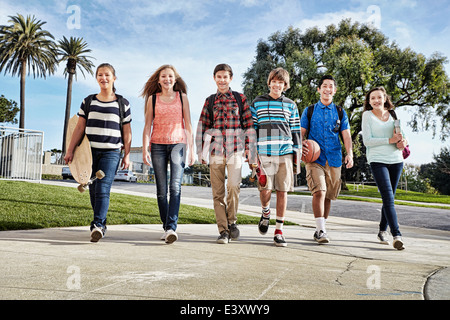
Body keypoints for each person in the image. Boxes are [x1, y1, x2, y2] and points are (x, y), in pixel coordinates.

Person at [64, 63, 132, 242]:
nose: (104, 78)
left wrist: (127, 155)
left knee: (102, 188)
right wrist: (70, 150)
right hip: (89, 152)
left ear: (114, 78)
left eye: (107, 75)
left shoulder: (122, 103)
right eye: (100, 75)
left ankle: (98, 225)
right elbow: (79, 128)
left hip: (111, 152)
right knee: (93, 190)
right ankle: (101, 223)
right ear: (96, 78)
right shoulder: (88, 101)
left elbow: (127, 132)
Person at [195, 63, 256, 244]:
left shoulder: (239, 99)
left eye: (225, 77)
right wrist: (200, 151)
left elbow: (249, 126)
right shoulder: (210, 100)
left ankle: (233, 221)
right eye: (219, 77)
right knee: (217, 192)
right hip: (215, 152)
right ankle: (223, 230)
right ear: (214, 78)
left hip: (235, 150)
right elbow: (202, 126)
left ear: (230, 79)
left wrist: (250, 150)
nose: (222, 80)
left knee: (234, 186)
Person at [142, 65, 195, 244]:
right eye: (163, 76)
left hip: (178, 144)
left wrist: (192, 150)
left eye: (170, 76)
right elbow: (147, 125)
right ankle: (167, 227)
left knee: (175, 187)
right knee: (161, 191)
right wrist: (144, 149)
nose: (167, 79)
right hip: (157, 145)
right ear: (159, 80)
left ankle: (172, 227)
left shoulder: (182, 97)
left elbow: (188, 124)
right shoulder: (153, 99)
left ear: (175, 79)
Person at [250, 67, 301, 247]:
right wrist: (252, 155)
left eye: (281, 82)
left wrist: (297, 157)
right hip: (264, 153)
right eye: (274, 81)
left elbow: (295, 130)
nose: (277, 85)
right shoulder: (257, 103)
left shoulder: (291, 104)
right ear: (269, 82)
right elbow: (252, 130)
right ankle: (265, 213)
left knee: (282, 190)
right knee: (265, 190)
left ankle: (279, 230)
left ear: (285, 85)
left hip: (285, 152)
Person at [300, 75, 353, 244]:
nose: (327, 89)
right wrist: (300, 145)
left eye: (331, 86)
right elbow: (301, 133)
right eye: (324, 86)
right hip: (315, 158)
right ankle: (321, 230)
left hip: (334, 158)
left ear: (335, 91)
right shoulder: (309, 111)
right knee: (319, 191)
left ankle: (321, 228)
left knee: (329, 195)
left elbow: (346, 135)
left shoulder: (340, 112)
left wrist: (349, 153)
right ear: (319, 89)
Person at [361, 87, 407, 250]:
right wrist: (390, 140)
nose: (376, 101)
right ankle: (397, 235)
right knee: (388, 197)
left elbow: (402, 136)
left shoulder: (393, 114)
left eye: (379, 97)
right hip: (377, 160)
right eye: (372, 98)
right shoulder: (367, 115)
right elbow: (367, 140)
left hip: (396, 160)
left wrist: (402, 142)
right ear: (369, 101)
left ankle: (382, 230)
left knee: (390, 199)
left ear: (385, 98)